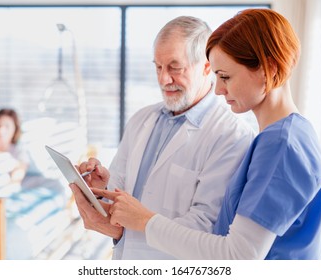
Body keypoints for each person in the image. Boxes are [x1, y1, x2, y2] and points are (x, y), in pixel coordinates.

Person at [93, 9, 321, 260]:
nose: (217, 90)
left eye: (225, 77)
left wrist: (145, 221)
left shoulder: (281, 144)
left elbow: (239, 255)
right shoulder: (280, 137)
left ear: (267, 68)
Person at [70, 16, 255, 259]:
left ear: (207, 67)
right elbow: (121, 194)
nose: (163, 79)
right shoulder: (141, 120)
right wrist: (102, 188)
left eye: (175, 68)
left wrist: (125, 230)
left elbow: (206, 227)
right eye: (158, 67)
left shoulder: (231, 136)